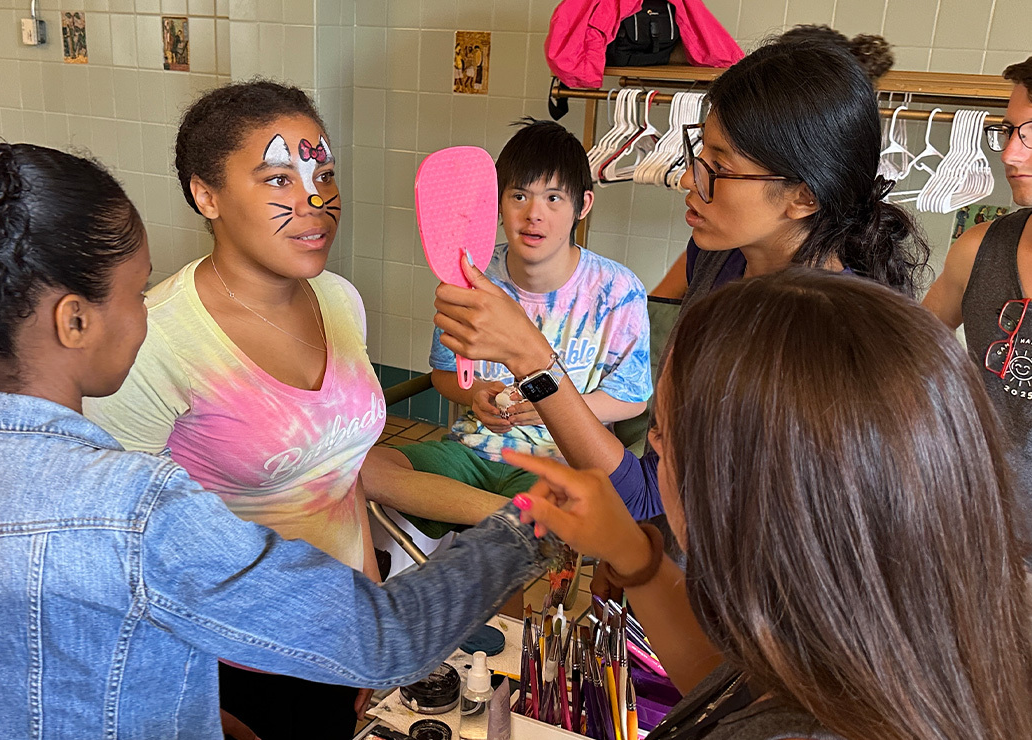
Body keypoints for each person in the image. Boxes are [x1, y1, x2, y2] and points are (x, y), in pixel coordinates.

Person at [0, 108, 551, 740]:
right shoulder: (139, 506)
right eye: (136, 291)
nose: (148, 310)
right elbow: (385, 639)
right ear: (75, 320)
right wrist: (530, 525)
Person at [508, 269, 1032, 740]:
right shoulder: (916, 641)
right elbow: (733, 694)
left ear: (743, 493)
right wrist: (632, 553)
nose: (656, 453)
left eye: (662, 434)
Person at [432, 34, 930, 524]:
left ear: (803, 196)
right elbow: (652, 477)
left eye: (719, 167)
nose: (690, 178)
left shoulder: (822, 344)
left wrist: (532, 359)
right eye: (700, 153)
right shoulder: (720, 257)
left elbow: (651, 497)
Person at [84, 81, 384, 738]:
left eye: (323, 174)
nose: (315, 202)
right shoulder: (157, 338)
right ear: (207, 195)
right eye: (278, 179)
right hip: (228, 658)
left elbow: (341, 476)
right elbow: (111, 545)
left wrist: (368, 609)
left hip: (338, 626)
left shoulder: (339, 300)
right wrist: (180, 698)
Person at [361, 119, 650, 542]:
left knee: (552, 516)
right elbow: (445, 375)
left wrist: (556, 405)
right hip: (471, 453)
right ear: (498, 202)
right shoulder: (471, 279)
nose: (534, 214)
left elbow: (632, 400)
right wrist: (475, 394)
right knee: (361, 471)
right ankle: (507, 518)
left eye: (553, 198)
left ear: (583, 205)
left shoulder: (618, 291)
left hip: (556, 466)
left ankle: (504, 524)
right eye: (519, 196)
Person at [923, 56, 1032, 550]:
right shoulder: (978, 247)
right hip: (974, 534)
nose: (1010, 154)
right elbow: (907, 356)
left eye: (1030, 134)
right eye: (1008, 131)